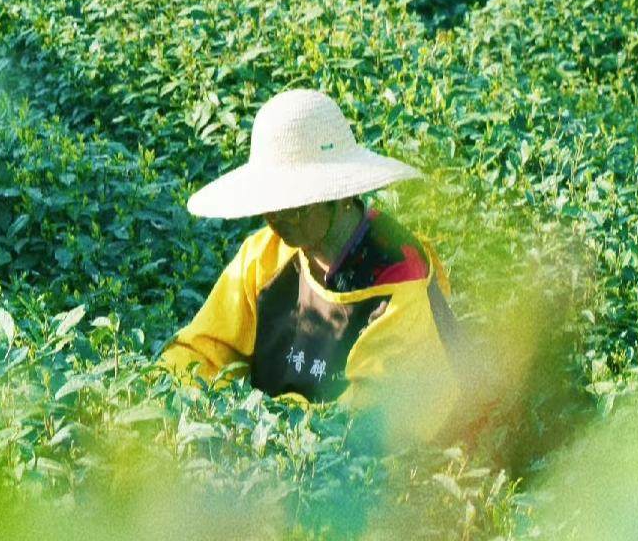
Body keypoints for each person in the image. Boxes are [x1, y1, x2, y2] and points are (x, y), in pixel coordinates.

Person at [161, 88, 472, 443]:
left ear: (338, 196)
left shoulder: (399, 278)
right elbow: (203, 349)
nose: (276, 219)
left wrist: (260, 420)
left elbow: (364, 422)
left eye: (294, 205)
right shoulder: (265, 254)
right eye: (270, 203)